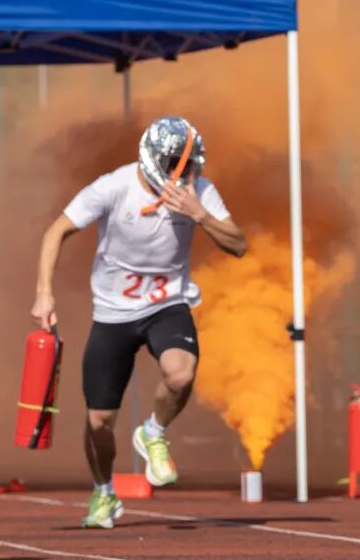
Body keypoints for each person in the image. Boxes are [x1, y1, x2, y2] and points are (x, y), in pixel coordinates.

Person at [30, 116, 245, 529]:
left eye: (189, 168)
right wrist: (44, 292)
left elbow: (238, 244)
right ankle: (103, 492)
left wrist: (201, 215)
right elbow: (56, 231)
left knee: (181, 375)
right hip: (112, 313)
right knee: (99, 421)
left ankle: (154, 431)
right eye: (174, 169)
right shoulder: (114, 186)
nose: (182, 177)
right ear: (152, 161)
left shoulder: (199, 191)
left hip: (168, 304)